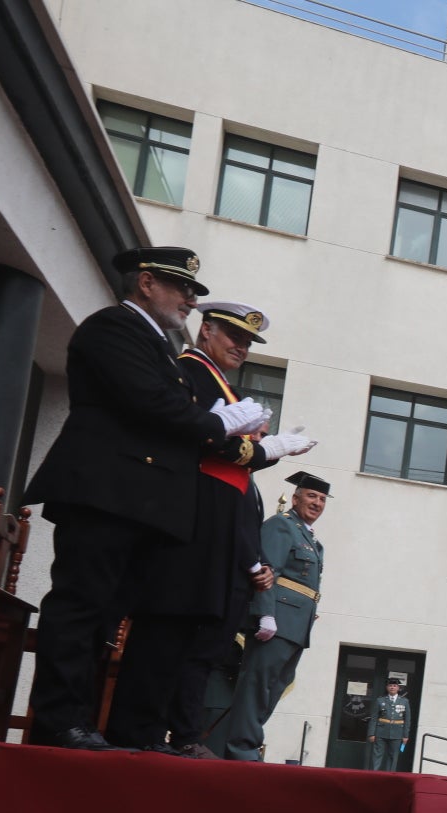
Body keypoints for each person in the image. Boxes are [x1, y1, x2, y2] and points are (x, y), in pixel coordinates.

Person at [22, 246, 273, 750]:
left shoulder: (157, 344)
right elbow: (154, 405)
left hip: (140, 504)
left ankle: (83, 720)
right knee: (81, 607)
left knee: (105, 618)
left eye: (193, 292)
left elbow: (173, 410)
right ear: (146, 283)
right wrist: (219, 423)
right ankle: (58, 720)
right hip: (105, 492)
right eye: (182, 289)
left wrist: (233, 435)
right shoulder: (113, 328)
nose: (189, 300)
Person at [110, 302, 314, 756]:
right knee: (164, 630)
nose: (240, 347)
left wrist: (263, 450)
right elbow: (207, 441)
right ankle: (136, 732)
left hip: (210, 527)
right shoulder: (192, 370)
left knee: (186, 636)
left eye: (247, 342)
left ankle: (156, 732)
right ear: (206, 331)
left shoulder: (214, 377)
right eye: (232, 337)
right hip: (191, 519)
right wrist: (267, 450)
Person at [212, 472, 328, 761]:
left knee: (273, 688)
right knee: (257, 685)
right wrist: (265, 613)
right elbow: (268, 571)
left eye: (323, 499)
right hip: (277, 620)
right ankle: (242, 749)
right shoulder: (281, 526)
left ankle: (247, 743)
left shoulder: (311, 538)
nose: (317, 503)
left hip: (297, 625)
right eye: (312, 496)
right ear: (296, 497)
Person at [367, 676, 411, 771]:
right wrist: (371, 733)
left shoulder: (404, 701)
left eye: (394, 685)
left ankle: (390, 775)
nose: (392, 687)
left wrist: (405, 735)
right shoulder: (380, 700)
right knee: (377, 754)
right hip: (381, 732)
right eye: (390, 685)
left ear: (398, 688)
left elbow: (407, 719)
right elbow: (374, 718)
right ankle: (374, 773)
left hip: (397, 732)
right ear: (387, 688)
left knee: (393, 756)